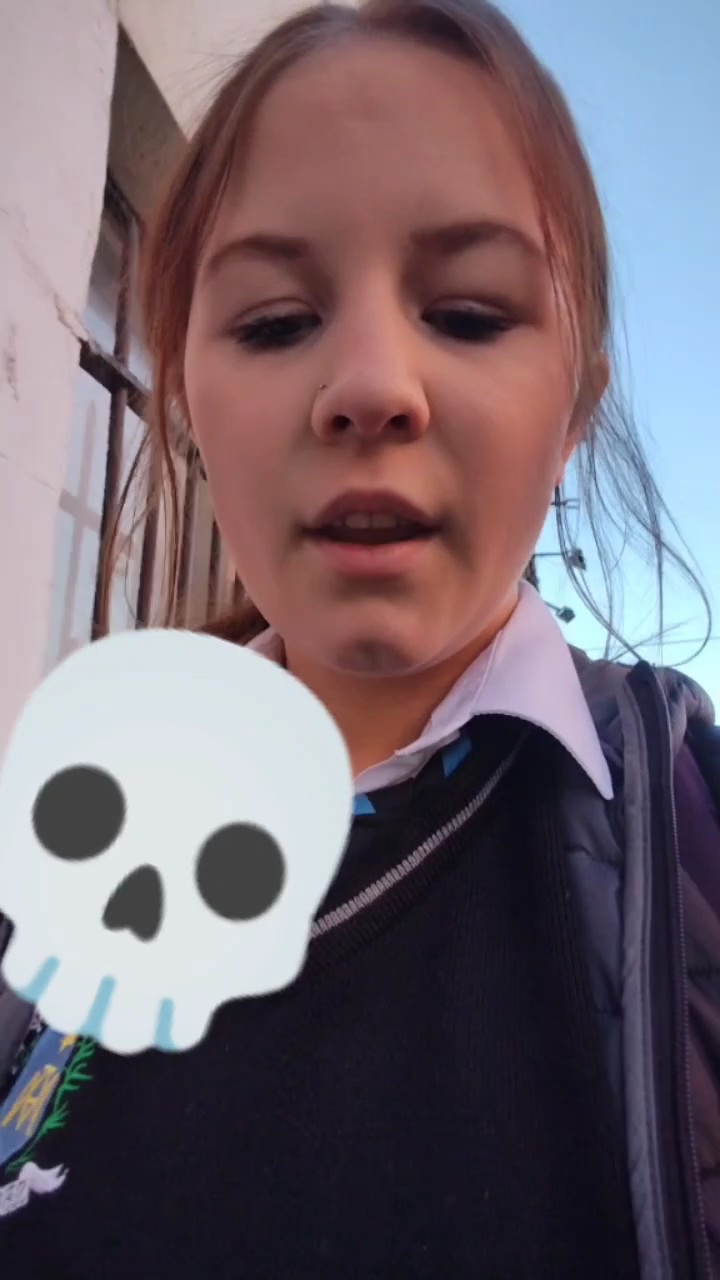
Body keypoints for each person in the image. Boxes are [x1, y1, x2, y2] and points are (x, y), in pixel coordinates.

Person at [1, 0, 719, 1275]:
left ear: (574, 411)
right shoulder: (66, 835)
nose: (373, 386)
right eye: (277, 321)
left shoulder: (690, 834)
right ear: (187, 394)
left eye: (470, 312)